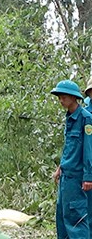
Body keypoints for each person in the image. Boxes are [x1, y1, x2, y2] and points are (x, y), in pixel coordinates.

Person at [50, 80, 92, 239]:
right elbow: (69, 147)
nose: (61, 100)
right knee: (62, 216)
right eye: (59, 97)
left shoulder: (86, 118)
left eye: (64, 97)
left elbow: (88, 150)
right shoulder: (69, 118)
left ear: (74, 98)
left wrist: (88, 176)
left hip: (77, 178)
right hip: (66, 178)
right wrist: (60, 168)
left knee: (77, 218)